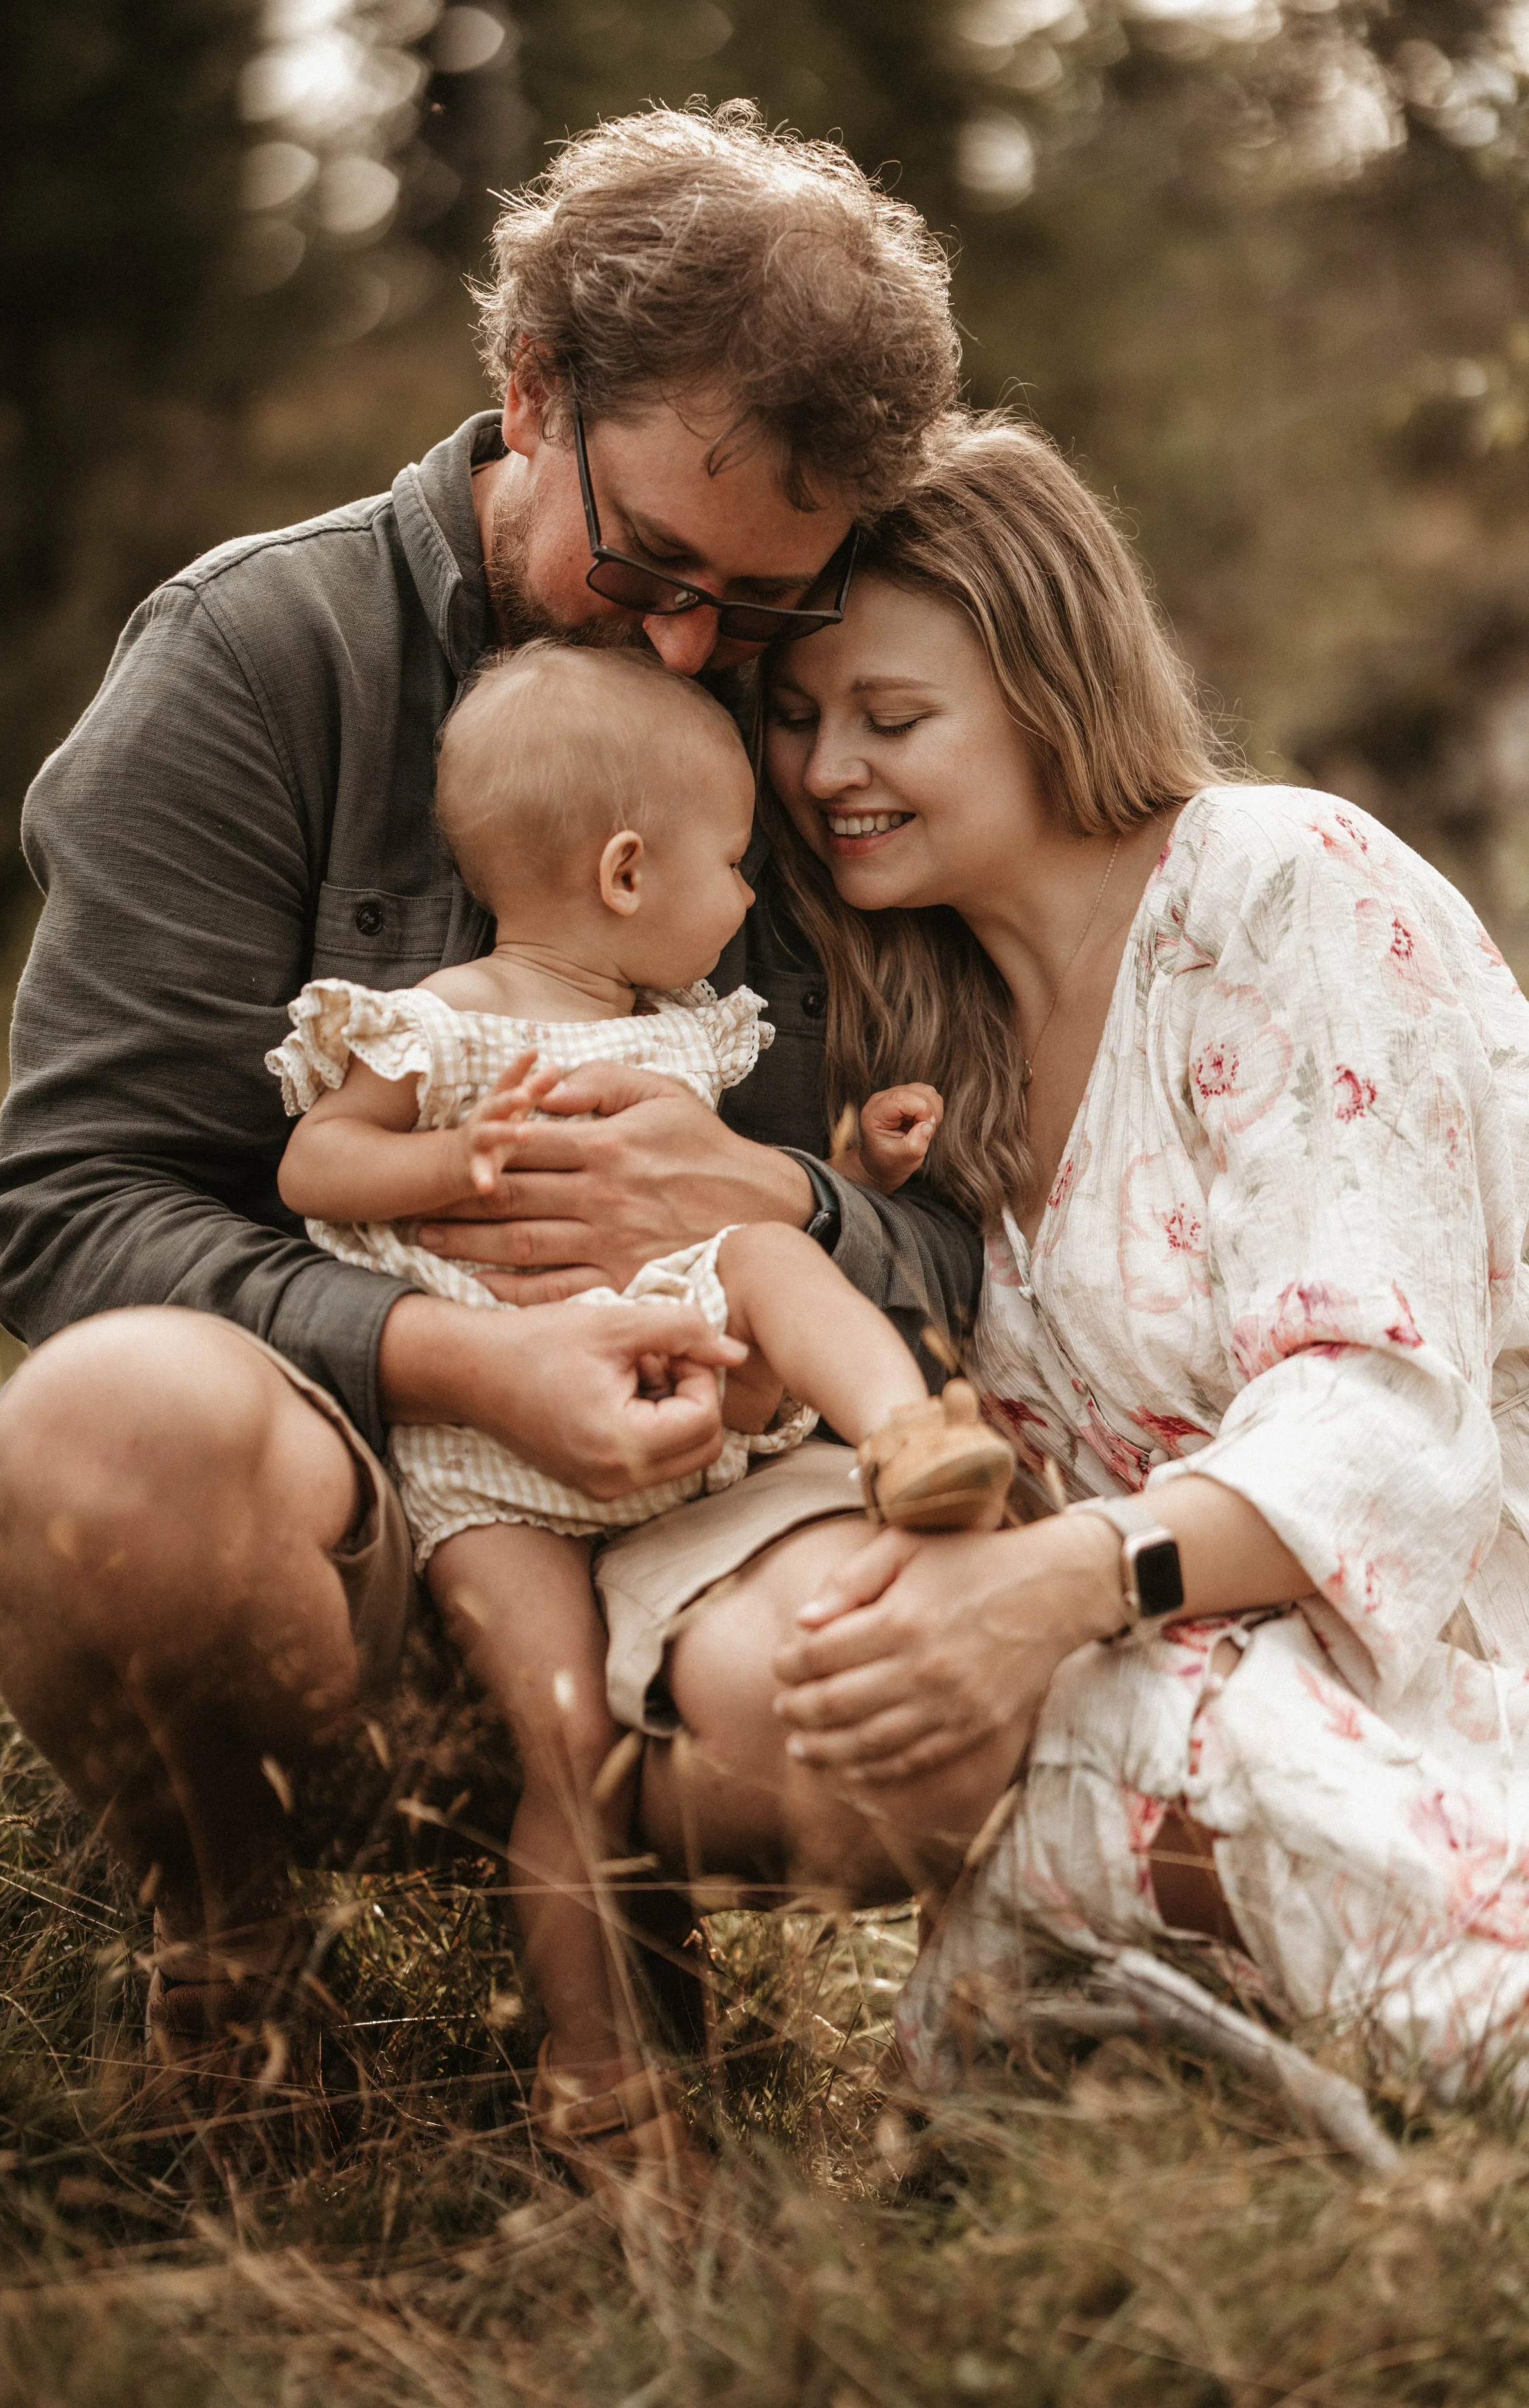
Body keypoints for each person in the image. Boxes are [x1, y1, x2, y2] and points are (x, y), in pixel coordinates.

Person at [0, 102, 974, 2107]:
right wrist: (469, 1365)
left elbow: (971, 1227)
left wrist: (788, 1205)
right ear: (528, 388)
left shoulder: (837, 706)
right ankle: (230, 1934)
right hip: (357, 1521)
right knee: (100, 1431)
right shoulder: (263, 657)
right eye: (653, 561)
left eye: (751, 604)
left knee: (923, 1669)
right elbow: (69, 1204)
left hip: (710, 1498)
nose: (688, 643)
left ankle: (657, 1958)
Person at [609, 412, 1529, 2102]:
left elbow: (1378, 1412)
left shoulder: (1278, 886)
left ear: (1048, 688)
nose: (825, 775)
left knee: (1131, 1733)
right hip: (1148, 1665)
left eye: (893, 717)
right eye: (798, 721)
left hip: (1443, 1644)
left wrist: (1050, 1586)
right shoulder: (912, 1026)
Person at [265, 638, 1008, 2191]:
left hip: (681, 1403)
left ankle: (907, 1438)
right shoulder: (442, 1032)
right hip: (496, 1466)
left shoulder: (685, 1032)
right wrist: (450, 1169)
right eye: (732, 862)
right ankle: (599, 2075)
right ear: (623, 869)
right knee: (568, 1744)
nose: (750, 896)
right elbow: (313, 1171)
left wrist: (856, 1170)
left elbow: (733, 1191)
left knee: (764, 1241)